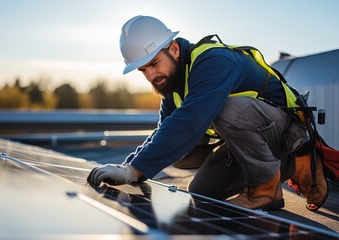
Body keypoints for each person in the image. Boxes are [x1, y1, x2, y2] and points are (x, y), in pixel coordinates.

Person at [87, 15, 328, 211]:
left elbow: (190, 120)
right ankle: (284, 165)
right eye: (143, 70)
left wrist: (133, 170)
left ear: (174, 49)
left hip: (283, 126)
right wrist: (129, 168)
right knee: (200, 189)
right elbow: (164, 131)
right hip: (252, 138)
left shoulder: (213, 61)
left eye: (153, 64)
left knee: (221, 110)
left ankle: (267, 188)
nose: (151, 76)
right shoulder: (171, 85)